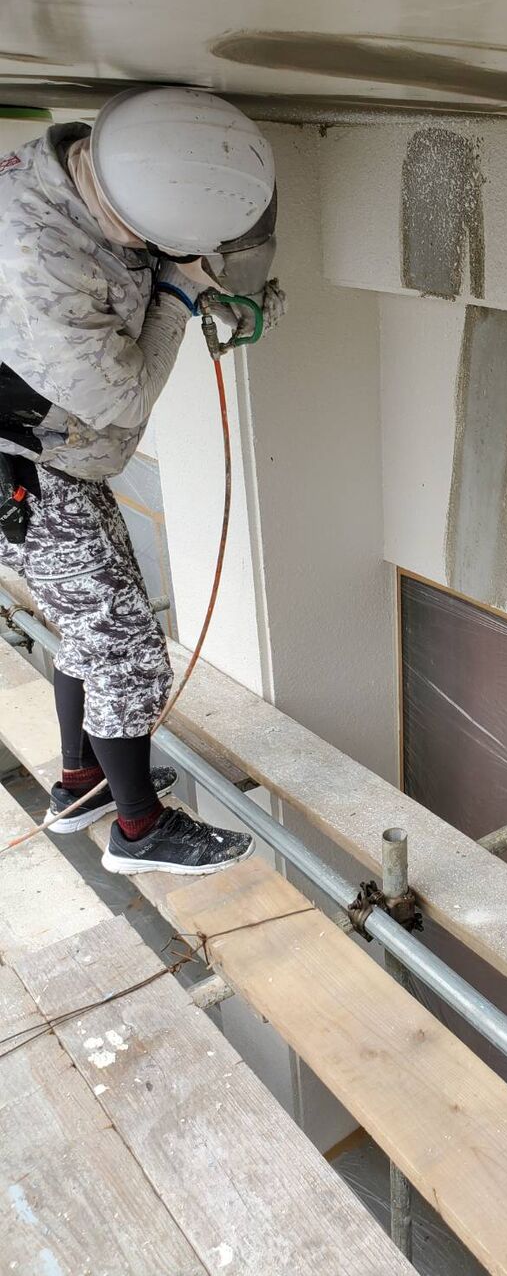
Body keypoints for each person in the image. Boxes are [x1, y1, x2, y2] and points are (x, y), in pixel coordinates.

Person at [0, 87, 284, 875]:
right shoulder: (39, 266)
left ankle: (83, 781)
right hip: (27, 470)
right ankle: (139, 831)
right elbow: (122, 397)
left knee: (90, 626)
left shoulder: (84, 170)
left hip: (42, 454)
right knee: (128, 652)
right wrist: (179, 296)